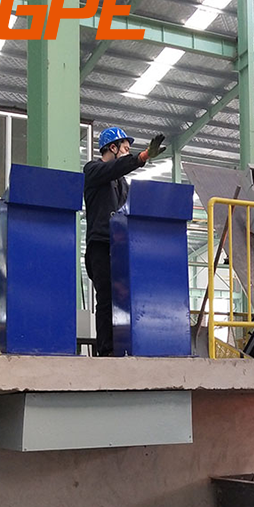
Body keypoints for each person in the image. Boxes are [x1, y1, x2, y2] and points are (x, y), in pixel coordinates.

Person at [83, 127, 166, 356]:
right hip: (100, 245)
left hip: (120, 247)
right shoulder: (93, 170)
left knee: (122, 298)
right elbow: (114, 168)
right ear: (113, 147)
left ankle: (125, 347)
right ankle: (106, 351)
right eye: (126, 148)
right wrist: (142, 157)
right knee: (106, 298)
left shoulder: (122, 184)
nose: (128, 152)